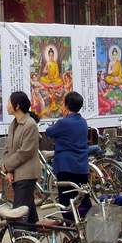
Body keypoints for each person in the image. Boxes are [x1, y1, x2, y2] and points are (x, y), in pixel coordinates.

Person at [45, 91, 91, 220]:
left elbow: (49, 132)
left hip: (66, 167)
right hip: (82, 166)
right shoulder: (83, 122)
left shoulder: (63, 123)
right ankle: (84, 222)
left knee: (66, 200)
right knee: (82, 197)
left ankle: (71, 225)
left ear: (66, 105)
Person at [3, 91, 40, 224]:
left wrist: (7, 166)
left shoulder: (30, 124)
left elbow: (25, 152)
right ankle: (35, 233)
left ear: (17, 106)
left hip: (26, 175)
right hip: (16, 173)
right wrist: (8, 170)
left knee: (17, 215)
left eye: (9, 102)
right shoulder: (14, 124)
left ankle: (20, 237)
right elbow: (8, 149)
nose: (7, 105)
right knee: (29, 213)